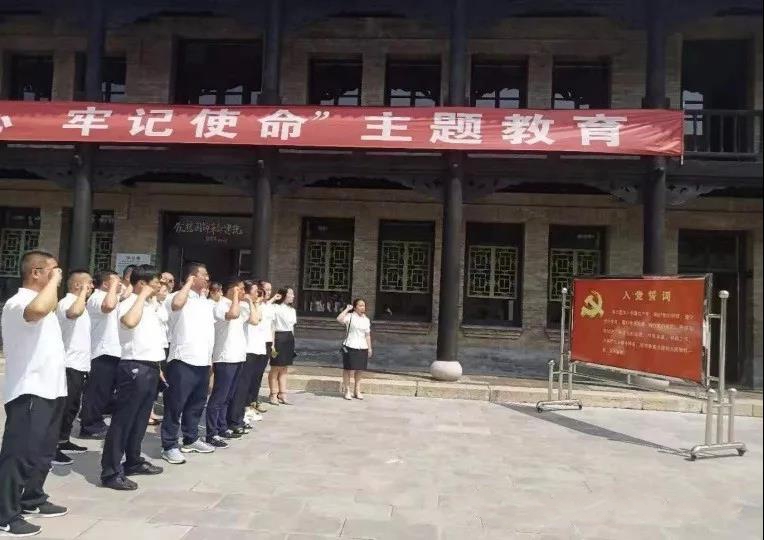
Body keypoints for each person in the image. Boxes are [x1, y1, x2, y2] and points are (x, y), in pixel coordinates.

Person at [0, 251, 68, 537]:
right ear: (36, 273)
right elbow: (36, 311)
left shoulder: (46, 302)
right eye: (53, 270)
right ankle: (5, 514)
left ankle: (32, 498)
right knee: (19, 454)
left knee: (42, 452)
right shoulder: (18, 302)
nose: (58, 275)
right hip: (30, 391)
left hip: (52, 389)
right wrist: (55, 281)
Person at [100, 265, 165, 490]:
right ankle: (110, 472)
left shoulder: (149, 305)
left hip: (150, 366)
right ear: (142, 284)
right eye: (155, 283)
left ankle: (133, 461)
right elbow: (128, 322)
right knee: (123, 420)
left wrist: (158, 367)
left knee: (140, 419)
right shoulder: (130, 302)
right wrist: (142, 296)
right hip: (134, 367)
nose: (159, 287)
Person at [160, 262, 216, 465]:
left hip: (203, 360)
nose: (207, 279)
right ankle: (169, 445)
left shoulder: (205, 302)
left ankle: (191, 439)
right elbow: (176, 305)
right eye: (204, 275)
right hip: (182, 359)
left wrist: (210, 361)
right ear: (192, 276)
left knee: (196, 404)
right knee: (175, 405)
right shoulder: (176, 297)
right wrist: (189, 284)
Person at [53, 270, 94, 466]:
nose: (92, 287)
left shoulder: (80, 303)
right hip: (68, 365)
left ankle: (63, 441)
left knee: (72, 407)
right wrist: (82, 293)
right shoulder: (67, 302)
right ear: (78, 285)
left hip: (80, 364)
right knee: (63, 408)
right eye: (89, 283)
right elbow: (73, 314)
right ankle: (52, 449)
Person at [79, 270, 122, 439]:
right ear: (105, 284)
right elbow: (108, 306)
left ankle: (96, 420)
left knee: (106, 392)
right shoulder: (97, 297)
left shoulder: (112, 296)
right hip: (102, 351)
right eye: (115, 281)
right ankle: (89, 426)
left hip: (114, 351)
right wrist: (114, 286)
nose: (119, 283)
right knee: (97, 391)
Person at [206, 277, 248, 448]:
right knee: (219, 396)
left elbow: (254, 319)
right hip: (225, 357)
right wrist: (236, 296)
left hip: (237, 356)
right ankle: (211, 432)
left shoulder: (238, 305)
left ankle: (222, 427)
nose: (243, 292)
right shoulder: (221, 305)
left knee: (229, 396)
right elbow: (233, 315)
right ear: (231, 289)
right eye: (240, 288)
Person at [227, 282, 265, 434]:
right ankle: (234, 421)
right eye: (255, 291)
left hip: (249, 351)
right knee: (240, 389)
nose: (258, 294)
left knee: (244, 389)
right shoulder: (242, 306)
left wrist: (253, 303)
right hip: (245, 351)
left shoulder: (250, 305)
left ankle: (239, 418)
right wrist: (249, 301)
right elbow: (255, 320)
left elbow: (258, 318)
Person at [337, 299, 373, 400]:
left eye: (364, 306)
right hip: (350, 345)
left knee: (359, 369)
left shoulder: (366, 320)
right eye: (360, 305)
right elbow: (339, 319)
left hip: (362, 347)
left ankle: (357, 390)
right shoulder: (350, 316)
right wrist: (347, 309)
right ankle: (347, 390)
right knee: (348, 369)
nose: (363, 308)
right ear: (355, 307)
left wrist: (369, 348)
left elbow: (367, 335)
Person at [269, 287, 297, 406]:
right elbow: (271, 326)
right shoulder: (275, 307)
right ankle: (273, 394)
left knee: (284, 368)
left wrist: (293, 343)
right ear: (284, 295)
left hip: (289, 338)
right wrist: (272, 344)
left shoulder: (292, 310)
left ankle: (283, 393)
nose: (293, 296)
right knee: (276, 367)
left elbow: (292, 327)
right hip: (278, 337)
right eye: (291, 294)